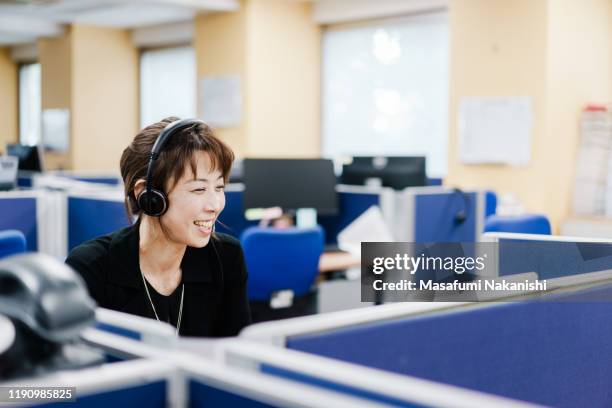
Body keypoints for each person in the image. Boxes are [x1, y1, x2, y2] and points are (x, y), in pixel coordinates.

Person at [65, 117, 251, 337]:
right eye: (199, 190)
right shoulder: (91, 268)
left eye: (219, 187)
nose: (215, 205)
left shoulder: (225, 258)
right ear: (148, 195)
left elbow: (237, 356)